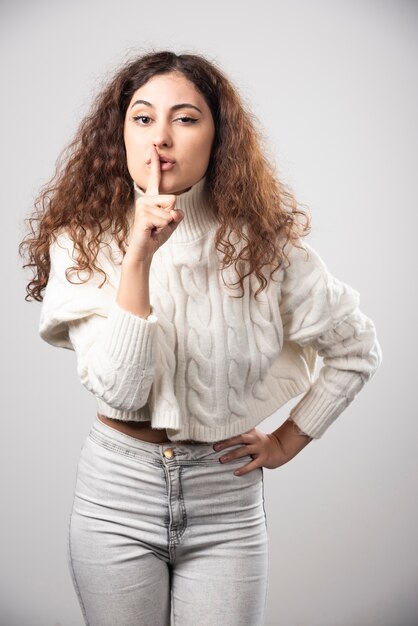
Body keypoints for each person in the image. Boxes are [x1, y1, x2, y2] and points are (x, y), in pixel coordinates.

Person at [19, 49, 382, 626]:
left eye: (185, 119)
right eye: (143, 118)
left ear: (218, 137)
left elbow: (356, 351)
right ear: (120, 135)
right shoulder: (81, 241)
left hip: (226, 500)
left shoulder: (264, 243)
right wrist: (138, 254)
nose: (160, 136)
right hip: (118, 491)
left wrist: (289, 440)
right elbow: (123, 392)